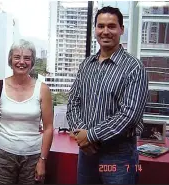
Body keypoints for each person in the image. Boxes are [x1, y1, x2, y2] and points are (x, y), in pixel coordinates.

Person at [66, 6, 149, 184]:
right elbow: (73, 103)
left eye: (111, 26)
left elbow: (129, 115)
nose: (105, 31)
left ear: (121, 30)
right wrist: (83, 137)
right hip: (87, 153)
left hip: (119, 155)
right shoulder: (86, 64)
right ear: (95, 29)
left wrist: (90, 136)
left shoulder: (134, 68)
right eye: (100, 26)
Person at [0, 39, 54, 184]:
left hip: (32, 157)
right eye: (17, 57)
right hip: (2, 155)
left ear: (32, 62)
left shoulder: (42, 89)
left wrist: (42, 161)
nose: (21, 62)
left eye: (27, 58)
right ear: (10, 60)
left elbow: (48, 128)